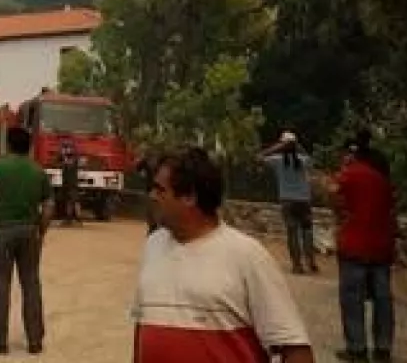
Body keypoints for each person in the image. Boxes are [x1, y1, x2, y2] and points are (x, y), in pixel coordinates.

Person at [130, 147, 313, 363]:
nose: (152, 196)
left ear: (189, 197)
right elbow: (143, 328)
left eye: (160, 190)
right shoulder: (154, 245)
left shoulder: (247, 256)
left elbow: (294, 348)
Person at [0, 125, 54, 355]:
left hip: (2, 231)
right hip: (29, 232)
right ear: (29, 147)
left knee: (0, 286)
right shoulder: (38, 172)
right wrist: (42, 231)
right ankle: (35, 340)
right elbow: (48, 206)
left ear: (8, 144)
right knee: (31, 284)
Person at [331, 135, 397, 362]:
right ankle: (383, 347)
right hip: (381, 245)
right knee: (382, 298)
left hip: (354, 243)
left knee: (352, 297)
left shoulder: (350, 173)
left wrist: (342, 215)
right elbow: (391, 211)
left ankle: (357, 348)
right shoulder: (382, 178)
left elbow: (334, 195)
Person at [260, 131, 319, 274]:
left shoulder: (277, 160)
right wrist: (296, 145)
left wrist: (279, 147)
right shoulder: (303, 160)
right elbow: (311, 160)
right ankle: (311, 262)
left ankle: (297, 265)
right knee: (307, 231)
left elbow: (260, 156)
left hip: (287, 200)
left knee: (292, 233)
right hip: (304, 200)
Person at [58, 135, 82, 226]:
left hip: (72, 183)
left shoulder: (74, 158)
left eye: (67, 148)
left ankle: (77, 219)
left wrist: (64, 157)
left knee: (74, 200)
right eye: (64, 147)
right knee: (68, 201)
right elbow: (58, 162)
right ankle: (68, 219)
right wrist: (62, 155)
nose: (65, 149)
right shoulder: (64, 157)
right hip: (66, 182)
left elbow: (69, 164)